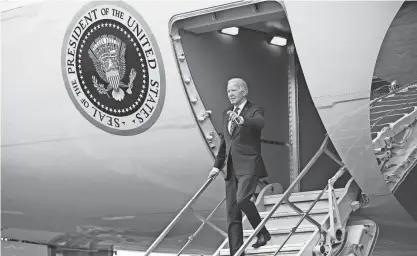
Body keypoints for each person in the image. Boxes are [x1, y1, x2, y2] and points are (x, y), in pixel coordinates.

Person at [208, 78, 271, 255]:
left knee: (242, 199)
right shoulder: (226, 113)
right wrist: (216, 166)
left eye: (234, 90)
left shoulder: (255, 110)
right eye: (228, 91)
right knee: (232, 214)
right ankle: (237, 253)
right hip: (230, 168)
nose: (230, 94)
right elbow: (224, 143)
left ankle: (262, 233)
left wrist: (242, 119)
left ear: (244, 91)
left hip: (249, 165)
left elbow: (259, 123)